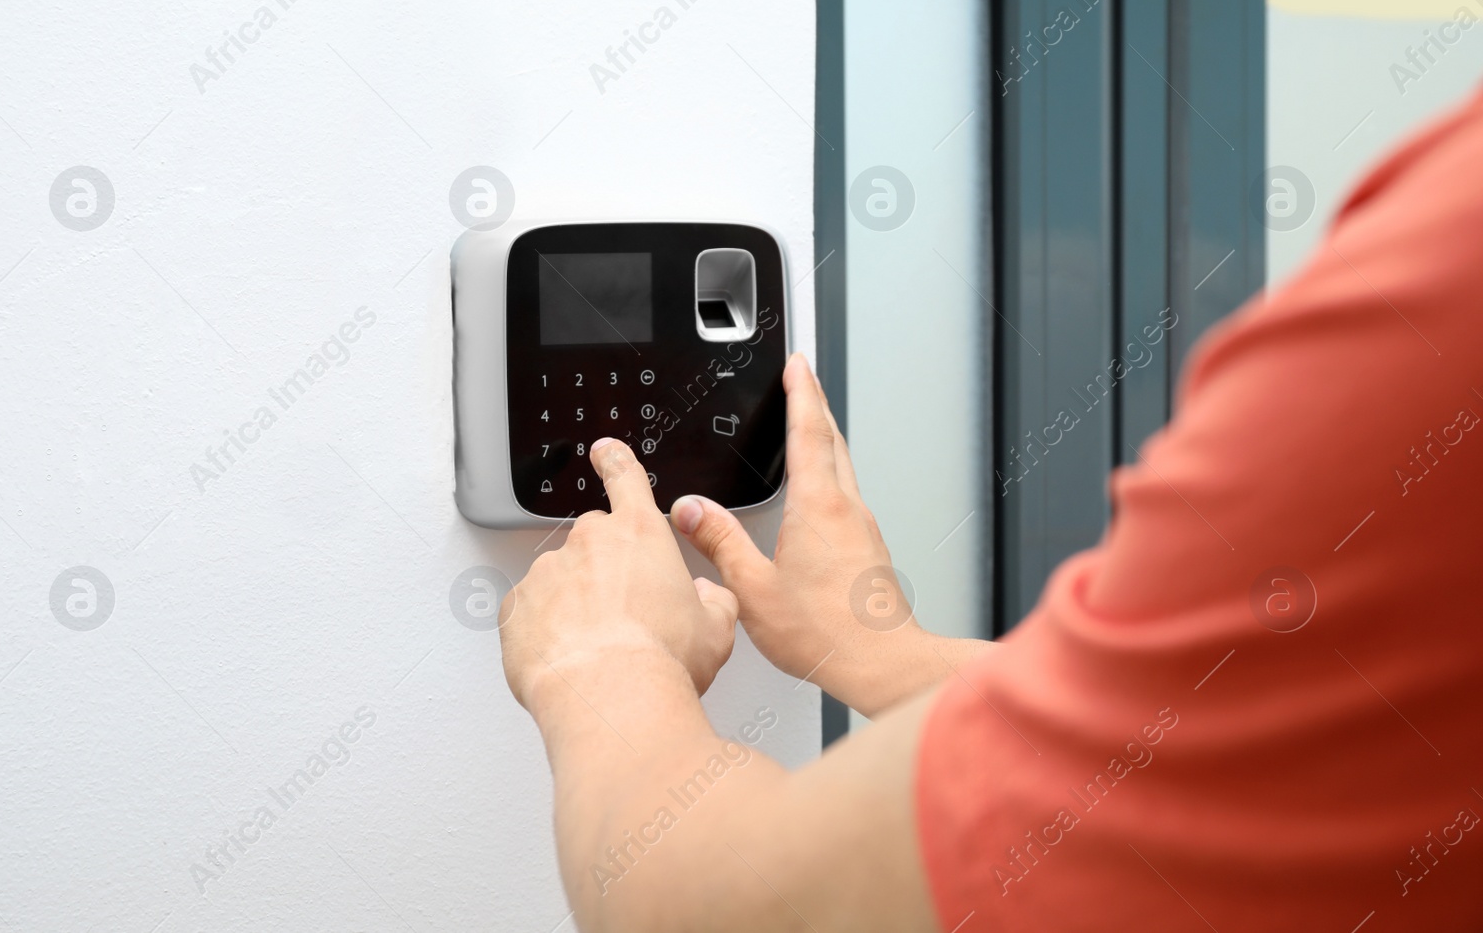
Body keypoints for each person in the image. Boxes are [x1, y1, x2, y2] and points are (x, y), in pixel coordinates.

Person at [496, 90, 1483, 932]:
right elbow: (1243, 747)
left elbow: (758, 914)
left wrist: (602, 666)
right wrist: (881, 656)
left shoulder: (1448, 278)